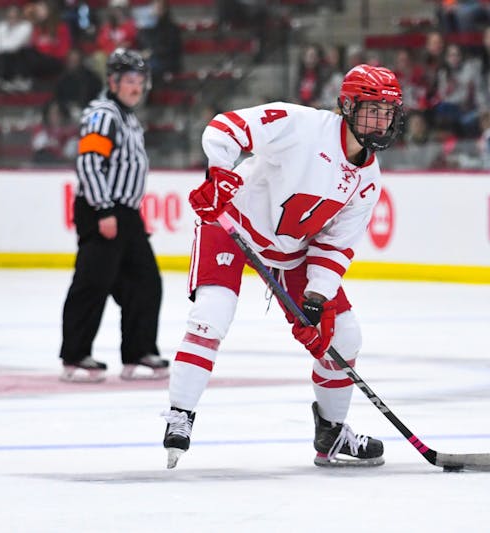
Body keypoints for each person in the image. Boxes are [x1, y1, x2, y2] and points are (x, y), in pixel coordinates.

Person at [162, 64, 404, 468]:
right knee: (211, 315)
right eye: (372, 110)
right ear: (347, 106)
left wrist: (315, 299)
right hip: (232, 224)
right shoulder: (300, 125)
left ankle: (331, 432)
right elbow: (226, 127)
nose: (381, 122)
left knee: (343, 335)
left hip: (291, 250)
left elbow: (335, 246)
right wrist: (219, 174)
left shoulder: (368, 180)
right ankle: (180, 414)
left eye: (388, 112)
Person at [59, 48, 167, 382]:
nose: (136, 88)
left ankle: (138, 352)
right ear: (113, 81)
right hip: (102, 209)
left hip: (126, 214)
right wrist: (104, 209)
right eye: (130, 81)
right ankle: (75, 356)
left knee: (145, 282)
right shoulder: (103, 114)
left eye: (140, 81)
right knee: (93, 283)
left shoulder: (128, 117)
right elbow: (89, 162)